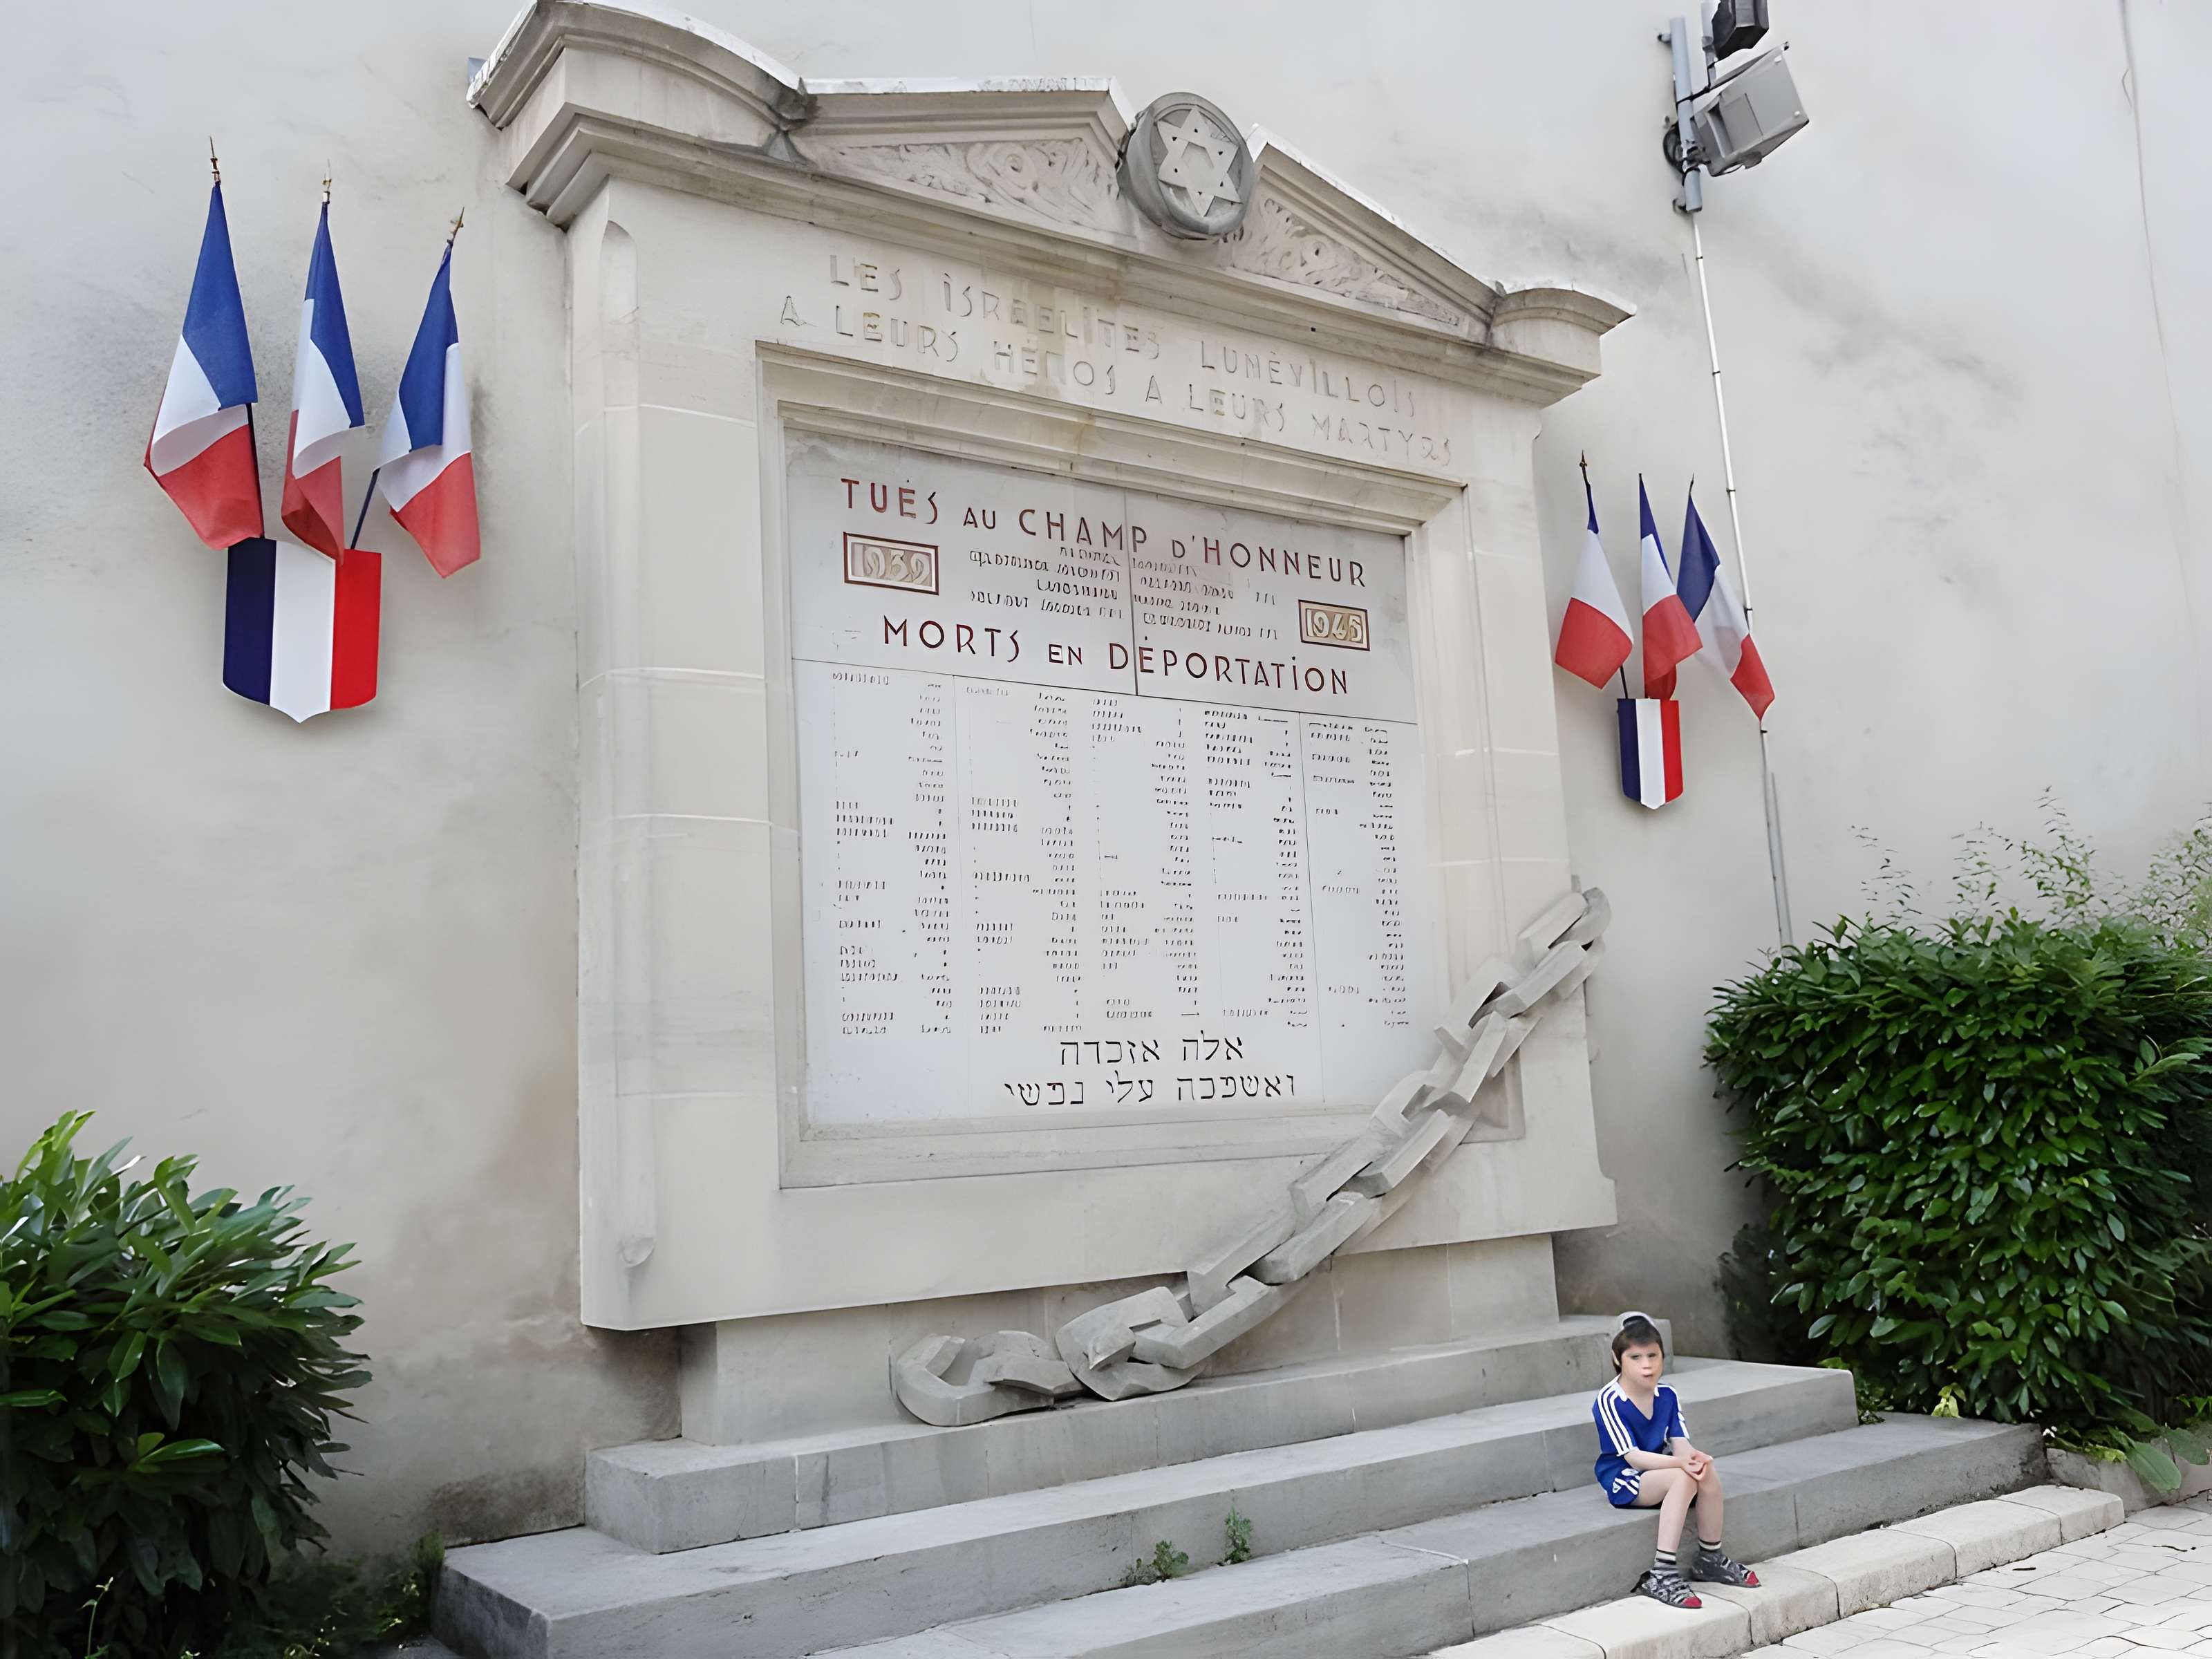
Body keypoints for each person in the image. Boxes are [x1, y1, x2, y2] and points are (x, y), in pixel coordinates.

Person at [1593, 1311, 1759, 1609]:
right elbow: (1634, 1458)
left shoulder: (1667, 1395)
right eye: (1635, 1357)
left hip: (1661, 1471)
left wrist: (1694, 1458)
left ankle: (1710, 1559)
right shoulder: (1610, 1399)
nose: (1646, 1365)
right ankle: (1663, 1572)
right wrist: (1681, 1465)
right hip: (1625, 1479)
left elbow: (1680, 1444)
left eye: (1652, 1356)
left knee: (1704, 1470)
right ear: (1618, 1359)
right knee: (1683, 1476)